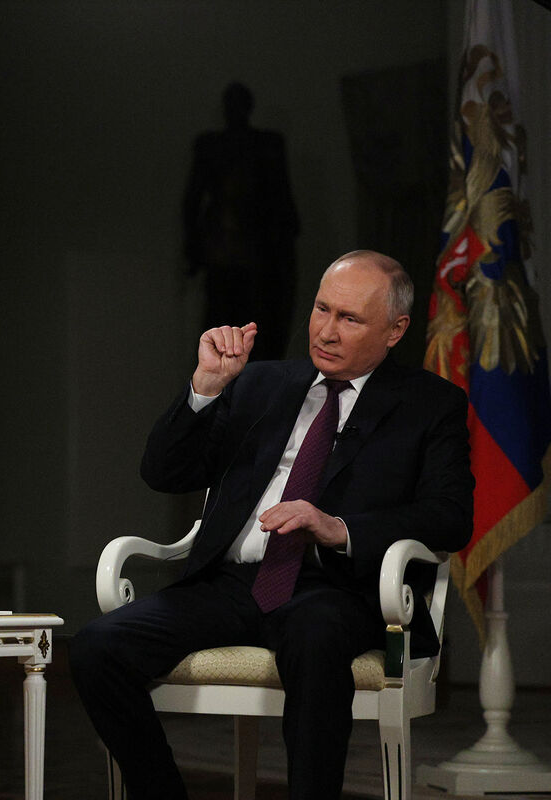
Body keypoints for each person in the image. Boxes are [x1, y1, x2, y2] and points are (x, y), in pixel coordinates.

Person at [70, 250, 473, 799]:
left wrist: (338, 528)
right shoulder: (259, 383)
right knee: (97, 647)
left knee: (315, 638)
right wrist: (206, 387)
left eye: (350, 319)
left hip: (336, 590)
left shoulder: (430, 404)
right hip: (229, 586)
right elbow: (164, 473)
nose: (326, 331)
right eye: (321, 309)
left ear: (395, 330)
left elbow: (450, 517)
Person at [183, 81, 300, 360]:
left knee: (259, 324)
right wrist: (194, 246)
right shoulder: (213, 146)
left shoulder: (266, 144)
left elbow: (281, 195)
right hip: (227, 248)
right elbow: (193, 199)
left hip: (256, 248)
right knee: (225, 321)